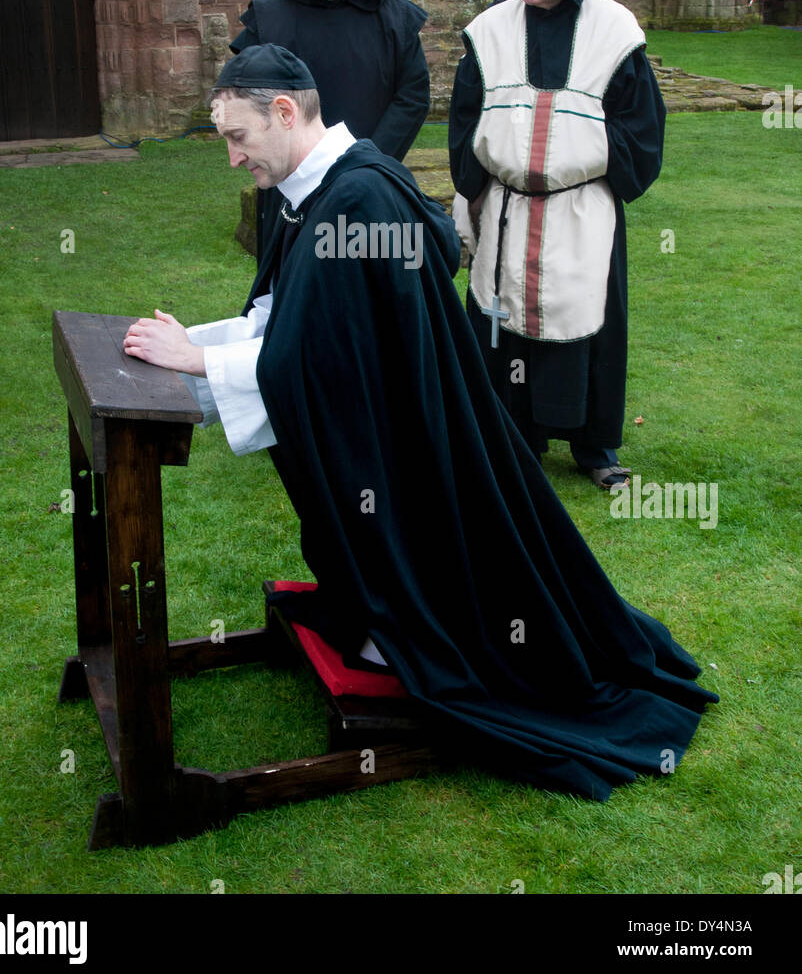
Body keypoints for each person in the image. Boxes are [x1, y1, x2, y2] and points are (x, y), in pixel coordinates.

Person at [123, 42, 716, 804]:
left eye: (237, 137)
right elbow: (289, 321)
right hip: (394, 434)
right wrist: (193, 347)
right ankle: (384, 620)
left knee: (446, 589)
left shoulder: (358, 197)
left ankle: (408, 633)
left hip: (401, 449)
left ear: (282, 112)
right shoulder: (325, 189)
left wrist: (198, 363)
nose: (233, 158)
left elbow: (326, 357)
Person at [449, 0, 666, 490]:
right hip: (507, 209)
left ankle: (594, 447)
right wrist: (469, 191)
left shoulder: (614, 33)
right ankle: (512, 439)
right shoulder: (490, 31)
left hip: (581, 211)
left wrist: (578, 153)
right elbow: (466, 116)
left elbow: (641, 128)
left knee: (586, 318)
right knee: (502, 325)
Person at [230, 0, 430, 257]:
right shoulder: (271, 20)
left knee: (362, 287)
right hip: (288, 186)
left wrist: (366, 162)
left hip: (367, 182)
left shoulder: (393, 18)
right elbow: (244, 99)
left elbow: (413, 95)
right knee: (289, 291)